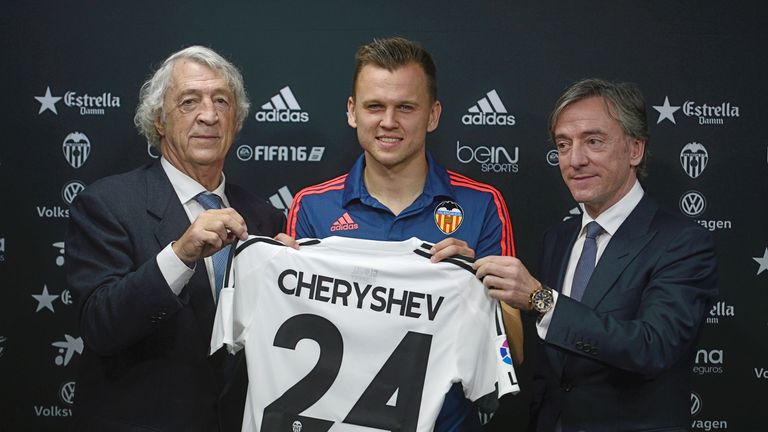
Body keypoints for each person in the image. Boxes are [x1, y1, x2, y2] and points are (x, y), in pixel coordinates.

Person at [282, 36, 523, 431]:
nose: (389, 122)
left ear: (432, 115)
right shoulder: (311, 206)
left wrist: (477, 284)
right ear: (351, 112)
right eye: (375, 106)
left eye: (406, 108)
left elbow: (511, 353)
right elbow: (291, 346)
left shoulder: (483, 204)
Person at [474, 78, 718, 431]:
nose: (575, 159)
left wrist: (540, 298)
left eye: (593, 141)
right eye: (563, 144)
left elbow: (652, 347)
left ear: (635, 149)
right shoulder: (557, 239)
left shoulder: (682, 243)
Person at [66, 46, 285, 431]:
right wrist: (179, 256)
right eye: (189, 102)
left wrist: (292, 281)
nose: (209, 115)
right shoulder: (106, 204)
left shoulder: (265, 216)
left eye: (222, 101)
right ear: (159, 120)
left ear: (236, 120)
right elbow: (100, 326)